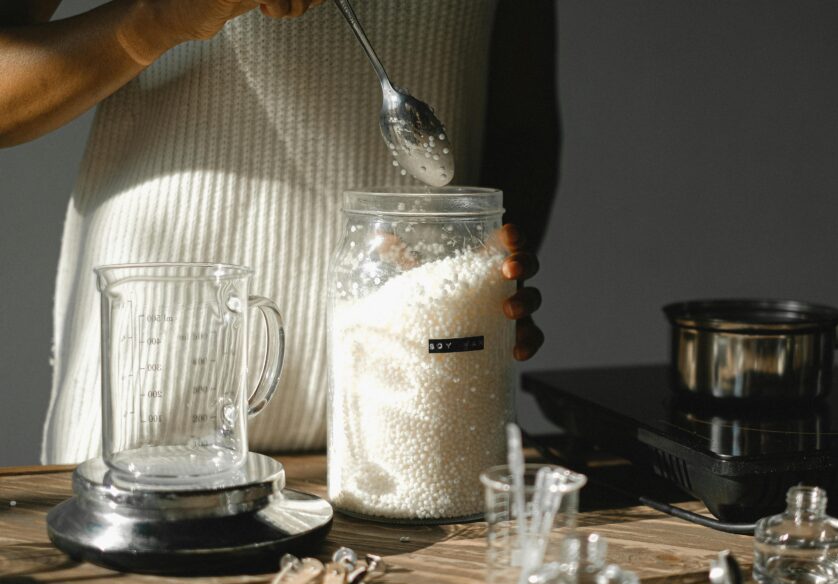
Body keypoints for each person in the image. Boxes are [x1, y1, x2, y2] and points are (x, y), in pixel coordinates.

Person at [0, 0, 558, 464]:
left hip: (407, 409)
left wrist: (474, 271)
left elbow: (522, 122)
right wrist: (159, 17)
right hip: (157, 391)